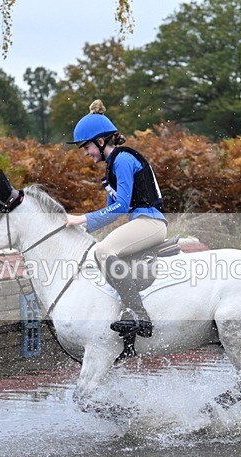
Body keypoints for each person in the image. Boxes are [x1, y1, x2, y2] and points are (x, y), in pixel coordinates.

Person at [65, 100, 167, 339]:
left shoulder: (122, 159)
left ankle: (138, 313)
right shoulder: (110, 167)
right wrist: (80, 230)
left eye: (86, 147)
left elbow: (121, 206)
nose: (86, 153)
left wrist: (80, 219)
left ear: (100, 142)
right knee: (100, 250)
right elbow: (108, 211)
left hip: (151, 222)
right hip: (140, 222)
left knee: (104, 250)